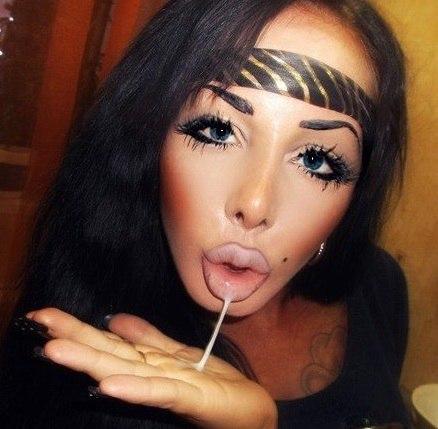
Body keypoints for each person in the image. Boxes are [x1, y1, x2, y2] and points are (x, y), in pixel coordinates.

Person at [0, 0, 410, 427]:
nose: (254, 206)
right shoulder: (80, 351)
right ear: (149, 142)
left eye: (315, 160)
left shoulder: (379, 289)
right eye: (218, 131)